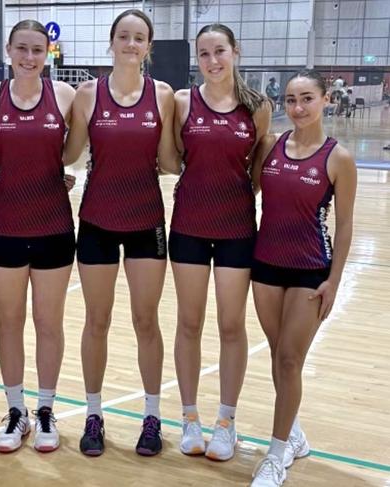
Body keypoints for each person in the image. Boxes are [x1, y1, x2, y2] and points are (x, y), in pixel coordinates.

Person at [63, 9, 177, 457]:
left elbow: (169, 162)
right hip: (97, 222)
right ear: (111, 43)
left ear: (148, 47)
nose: (131, 44)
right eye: (124, 37)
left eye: (139, 38)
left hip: (147, 220)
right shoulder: (87, 94)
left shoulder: (163, 95)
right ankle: (94, 414)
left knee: (146, 321)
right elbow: (69, 154)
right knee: (98, 320)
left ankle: (152, 416)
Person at [0, 19, 76, 454]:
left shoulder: (66, 96)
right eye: (22, 49)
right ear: (9, 50)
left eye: (38, 50)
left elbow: (78, 147)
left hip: (53, 227)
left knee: (49, 323)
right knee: (9, 322)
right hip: (4, 229)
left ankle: (46, 408)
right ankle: (17, 411)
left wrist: (64, 174)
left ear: (48, 52)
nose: (29, 57)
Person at [169, 23, 271, 461]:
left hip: (236, 230)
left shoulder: (258, 108)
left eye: (220, 51)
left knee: (231, 326)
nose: (213, 60)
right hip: (188, 227)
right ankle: (189, 418)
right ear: (198, 58)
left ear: (235, 52)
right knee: (189, 324)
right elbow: (172, 158)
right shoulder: (181, 102)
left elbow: (258, 173)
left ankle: (226, 421)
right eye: (205, 53)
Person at [249, 69, 356, 486]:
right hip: (265, 264)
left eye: (307, 98)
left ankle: (276, 456)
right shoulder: (271, 145)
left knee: (291, 359)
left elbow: (345, 225)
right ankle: (293, 434)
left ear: (325, 100)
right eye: (292, 100)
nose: (298, 107)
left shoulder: (338, 158)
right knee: (279, 357)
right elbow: (246, 189)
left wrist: (336, 278)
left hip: (311, 269)